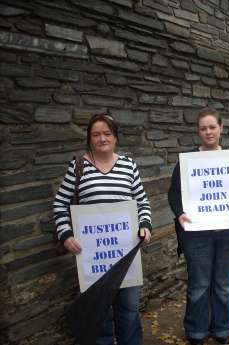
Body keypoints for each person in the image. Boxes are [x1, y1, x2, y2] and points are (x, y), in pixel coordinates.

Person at [53, 114, 152, 345]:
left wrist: (145, 225)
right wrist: (66, 234)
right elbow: (60, 204)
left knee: (128, 309)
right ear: (89, 139)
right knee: (101, 312)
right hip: (93, 256)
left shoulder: (129, 165)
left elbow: (143, 203)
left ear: (115, 137)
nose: (102, 138)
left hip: (127, 254)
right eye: (96, 134)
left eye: (107, 133)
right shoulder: (78, 167)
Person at [168, 107, 229, 345]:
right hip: (196, 234)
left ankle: (221, 329)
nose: (208, 132)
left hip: (227, 232)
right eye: (203, 128)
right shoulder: (188, 161)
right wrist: (180, 212)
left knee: (222, 284)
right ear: (198, 131)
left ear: (221, 128)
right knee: (199, 284)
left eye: (212, 127)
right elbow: (174, 193)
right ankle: (196, 330)